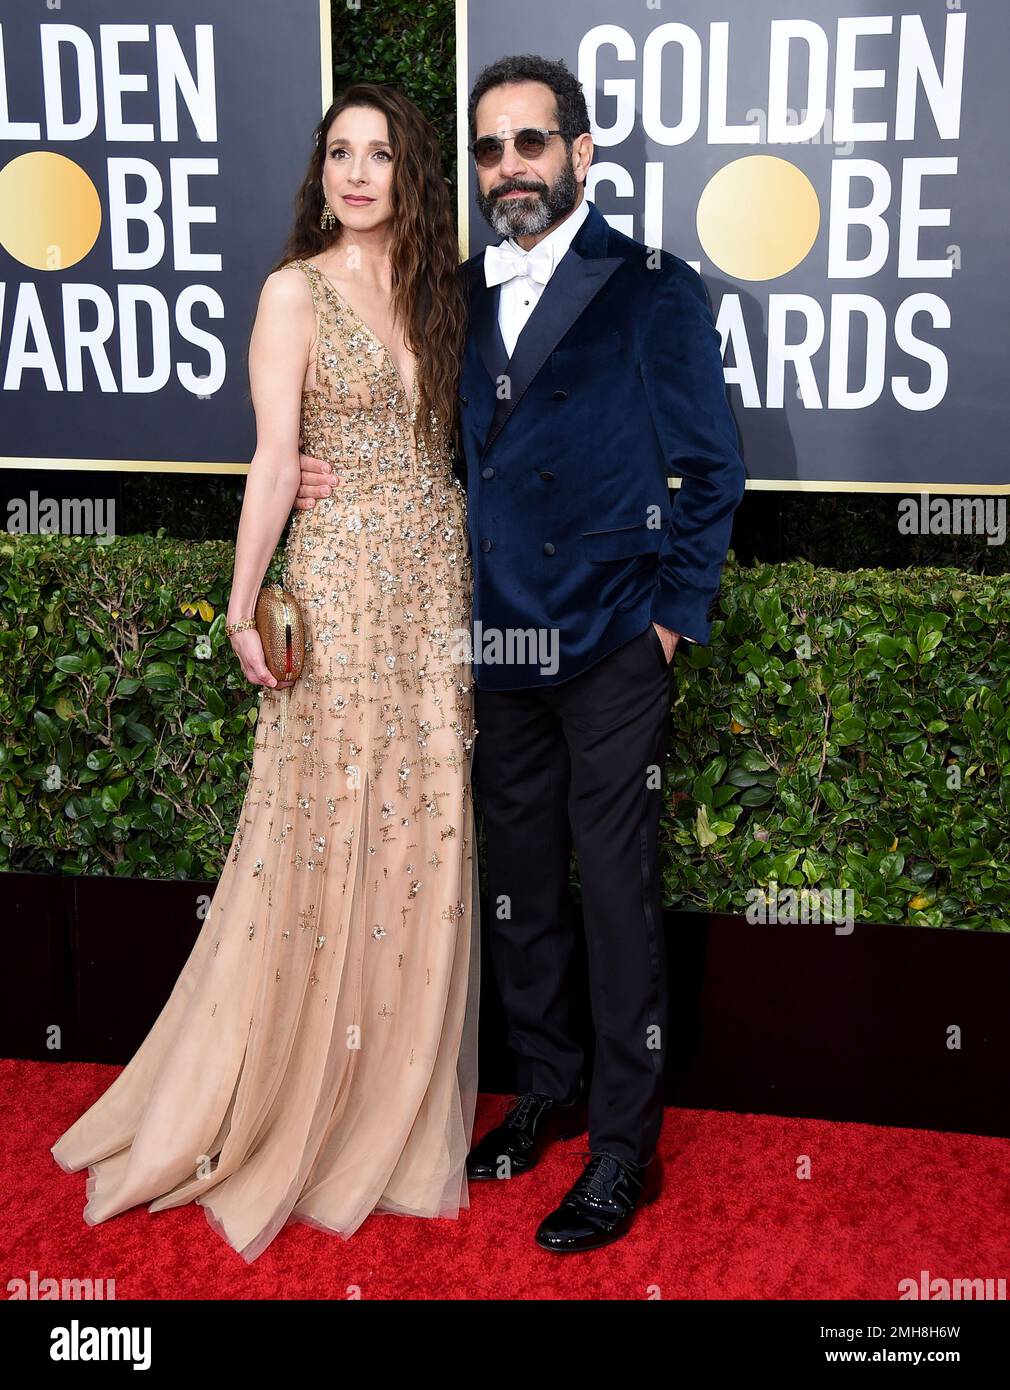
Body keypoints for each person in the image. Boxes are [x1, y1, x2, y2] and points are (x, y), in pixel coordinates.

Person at [296, 54, 745, 1253]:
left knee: (613, 893)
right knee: (521, 886)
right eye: (490, 151)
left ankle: (619, 1146)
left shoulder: (650, 288)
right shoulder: (454, 294)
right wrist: (306, 470)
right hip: (491, 641)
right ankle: (541, 1090)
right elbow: (405, 434)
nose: (510, 170)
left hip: (609, 644)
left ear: (579, 153)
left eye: (530, 145)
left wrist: (666, 621)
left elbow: (711, 474)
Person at [50, 83, 480, 1264]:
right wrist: (241, 609)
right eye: (337, 152)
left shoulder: (443, 295)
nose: (355, 173)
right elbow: (276, 458)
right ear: (319, 171)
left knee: (422, 835)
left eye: (378, 154)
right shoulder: (291, 291)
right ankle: (298, 1092)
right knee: (328, 825)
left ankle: (390, 1097)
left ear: (410, 174)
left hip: (435, 594)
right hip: (338, 591)